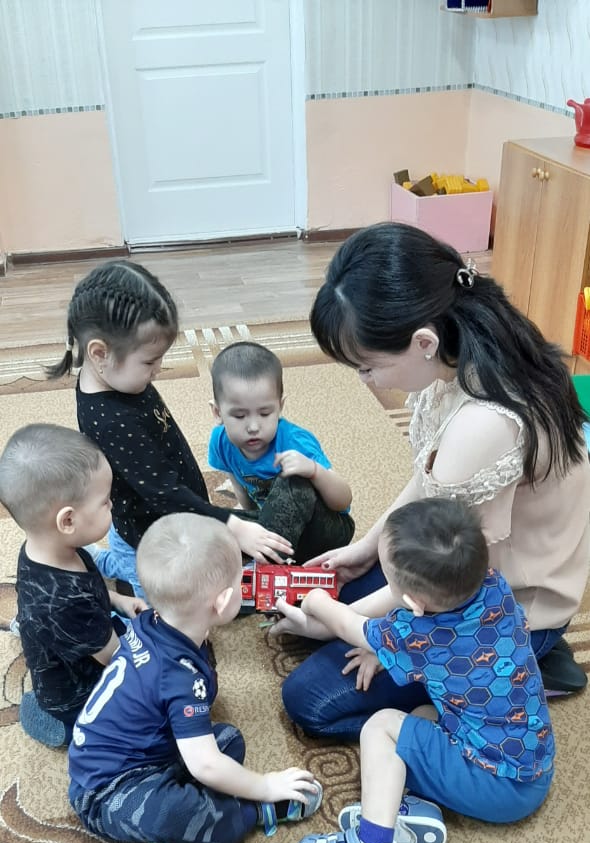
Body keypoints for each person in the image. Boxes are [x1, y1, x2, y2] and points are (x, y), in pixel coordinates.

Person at [276, 223, 590, 738]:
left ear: (423, 341)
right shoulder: (463, 352)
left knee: (309, 699)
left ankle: (530, 661)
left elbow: (450, 577)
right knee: (328, 599)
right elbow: (429, 482)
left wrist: (342, 624)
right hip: (458, 561)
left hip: (502, 600)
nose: (364, 380)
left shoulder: (483, 423)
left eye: (366, 367)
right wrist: (365, 550)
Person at [292, 498, 555, 843]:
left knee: (382, 727)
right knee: (419, 715)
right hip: (531, 765)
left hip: (497, 786)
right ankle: (402, 808)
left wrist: (316, 601)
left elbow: (350, 627)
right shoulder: (494, 585)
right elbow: (439, 646)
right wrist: (386, 651)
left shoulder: (418, 634)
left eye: (388, 578)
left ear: (414, 603)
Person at [68, 514, 322, 843]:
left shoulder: (156, 622)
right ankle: (255, 812)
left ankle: (174, 836)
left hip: (150, 755)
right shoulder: (179, 675)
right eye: (241, 581)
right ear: (222, 602)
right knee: (195, 803)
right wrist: (266, 785)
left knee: (229, 741)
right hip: (107, 792)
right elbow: (204, 764)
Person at [47, 260, 293, 598]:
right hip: (149, 540)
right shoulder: (111, 420)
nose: (159, 369)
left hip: (168, 511)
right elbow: (164, 494)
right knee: (166, 611)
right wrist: (232, 525)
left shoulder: (117, 377)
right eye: (150, 361)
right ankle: (113, 564)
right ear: (100, 353)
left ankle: (108, 560)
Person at [0, 424, 146, 748]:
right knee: (137, 716)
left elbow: (89, 588)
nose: (113, 505)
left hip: (79, 635)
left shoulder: (49, 548)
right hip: (74, 693)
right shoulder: (64, 602)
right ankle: (59, 724)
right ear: (68, 520)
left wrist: (117, 600)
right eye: (105, 502)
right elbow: (117, 659)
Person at [208, 341, 354, 561]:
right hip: (275, 532)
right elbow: (241, 490)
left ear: (280, 406)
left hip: (324, 532)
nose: (253, 427)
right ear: (218, 412)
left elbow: (343, 501)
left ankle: (265, 564)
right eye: (239, 416)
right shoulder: (221, 441)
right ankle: (263, 556)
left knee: (294, 481)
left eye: (265, 413)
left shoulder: (295, 442)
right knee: (205, 519)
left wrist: (314, 470)